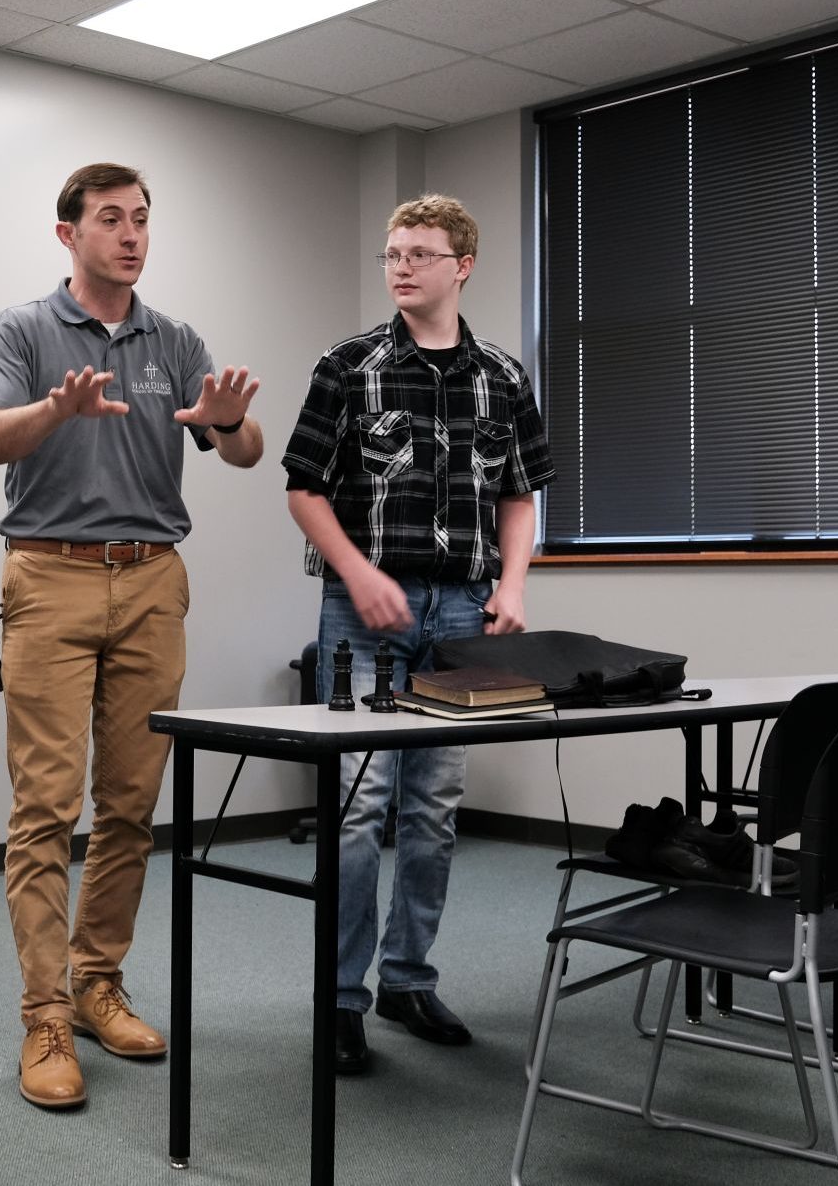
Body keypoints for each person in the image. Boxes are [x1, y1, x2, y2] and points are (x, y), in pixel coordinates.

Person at [0, 162, 264, 1110]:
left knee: (132, 803)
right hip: (49, 577)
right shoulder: (21, 330)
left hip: (150, 581)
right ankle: (46, 1014)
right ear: (69, 233)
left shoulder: (172, 338)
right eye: (111, 219)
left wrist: (227, 424)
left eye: (141, 219)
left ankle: (99, 984)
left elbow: (245, 447)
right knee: (46, 807)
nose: (132, 235)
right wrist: (54, 409)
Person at [281, 194, 554, 1074]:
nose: (401, 266)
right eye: (391, 254)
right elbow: (303, 489)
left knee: (432, 810)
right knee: (359, 809)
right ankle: (343, 998)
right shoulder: (348, 366)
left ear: (461, 265)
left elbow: (520, 494)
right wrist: (358, 573)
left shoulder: (504, 377)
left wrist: (512, 586)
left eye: (420, 254)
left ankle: (406, 978)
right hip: (364, 613)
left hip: (464, 616)